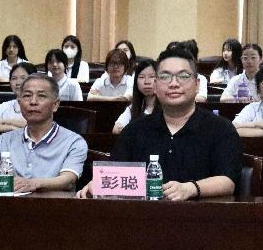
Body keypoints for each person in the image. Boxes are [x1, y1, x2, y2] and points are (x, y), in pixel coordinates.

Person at [82, 47, 241, 201]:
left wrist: (191, 188)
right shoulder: (135, 130)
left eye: (183, 76)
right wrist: (97, 184)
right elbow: (112, 173)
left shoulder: (220, 128)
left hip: (200, 216)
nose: (174, 83)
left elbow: (228, 182)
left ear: (197, 84)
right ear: (156, 85)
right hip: (142, 215)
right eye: (165, 77)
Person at [0, 62, 38, 132]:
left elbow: (36, 125)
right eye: (14, 78)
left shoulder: (41, 104)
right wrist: (11, 128)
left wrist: (5, 121)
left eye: (23, 78)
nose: (18, 83)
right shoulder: (5, 106)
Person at [113, 59, 157, 133]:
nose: (147, 82)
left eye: (152, 76)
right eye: (142, 77)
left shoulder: (168, 108)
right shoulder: (133, 108)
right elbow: (116, 129)